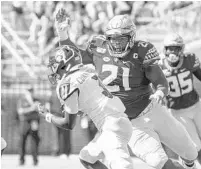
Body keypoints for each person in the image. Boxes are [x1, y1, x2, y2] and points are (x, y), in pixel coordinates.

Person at [55, 8, 198, 169]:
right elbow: (73, 56)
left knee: (190, 151)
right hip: (129, 122)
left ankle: (190, 164)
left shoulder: (142, 50)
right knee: (158, 161)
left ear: (131, 37)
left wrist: (159, 92)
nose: (116, 43)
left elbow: (160, 81)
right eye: (113, 39)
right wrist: (63, 35)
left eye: (121, 39)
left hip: (152, 109)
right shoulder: (98, 47)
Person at [38, 45, 134, 169]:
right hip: (117, 121)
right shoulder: (87, 70)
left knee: (122, 166)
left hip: (111, 126)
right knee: (87, 158)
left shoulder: (67, 83)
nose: (53, 68)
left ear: (65, 64)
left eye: (55, 63)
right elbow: (91, 97)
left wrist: (47, 115)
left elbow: (68, 124)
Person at [159, 33, 201, 165]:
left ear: (182, 49)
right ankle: (186, 166)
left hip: (196, 106)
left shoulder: (189, 59)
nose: (172, 51)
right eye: (170, 48)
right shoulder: (159, 66)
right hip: (178, 112)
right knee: (195, 146)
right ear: (164, 49)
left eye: (176, 48)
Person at [16, 86, 40, 166]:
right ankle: (21, 160)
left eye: (31, 90)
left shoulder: (36, 100)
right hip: (24, 123)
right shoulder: (22, 100)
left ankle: (35, 160)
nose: (30, 92)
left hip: (34, 123)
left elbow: (41, 112)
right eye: (29, 90)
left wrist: (38, 108)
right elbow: (20, 111)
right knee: (22, 142)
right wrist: (32, 108)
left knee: (34, 142)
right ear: (26, 91)